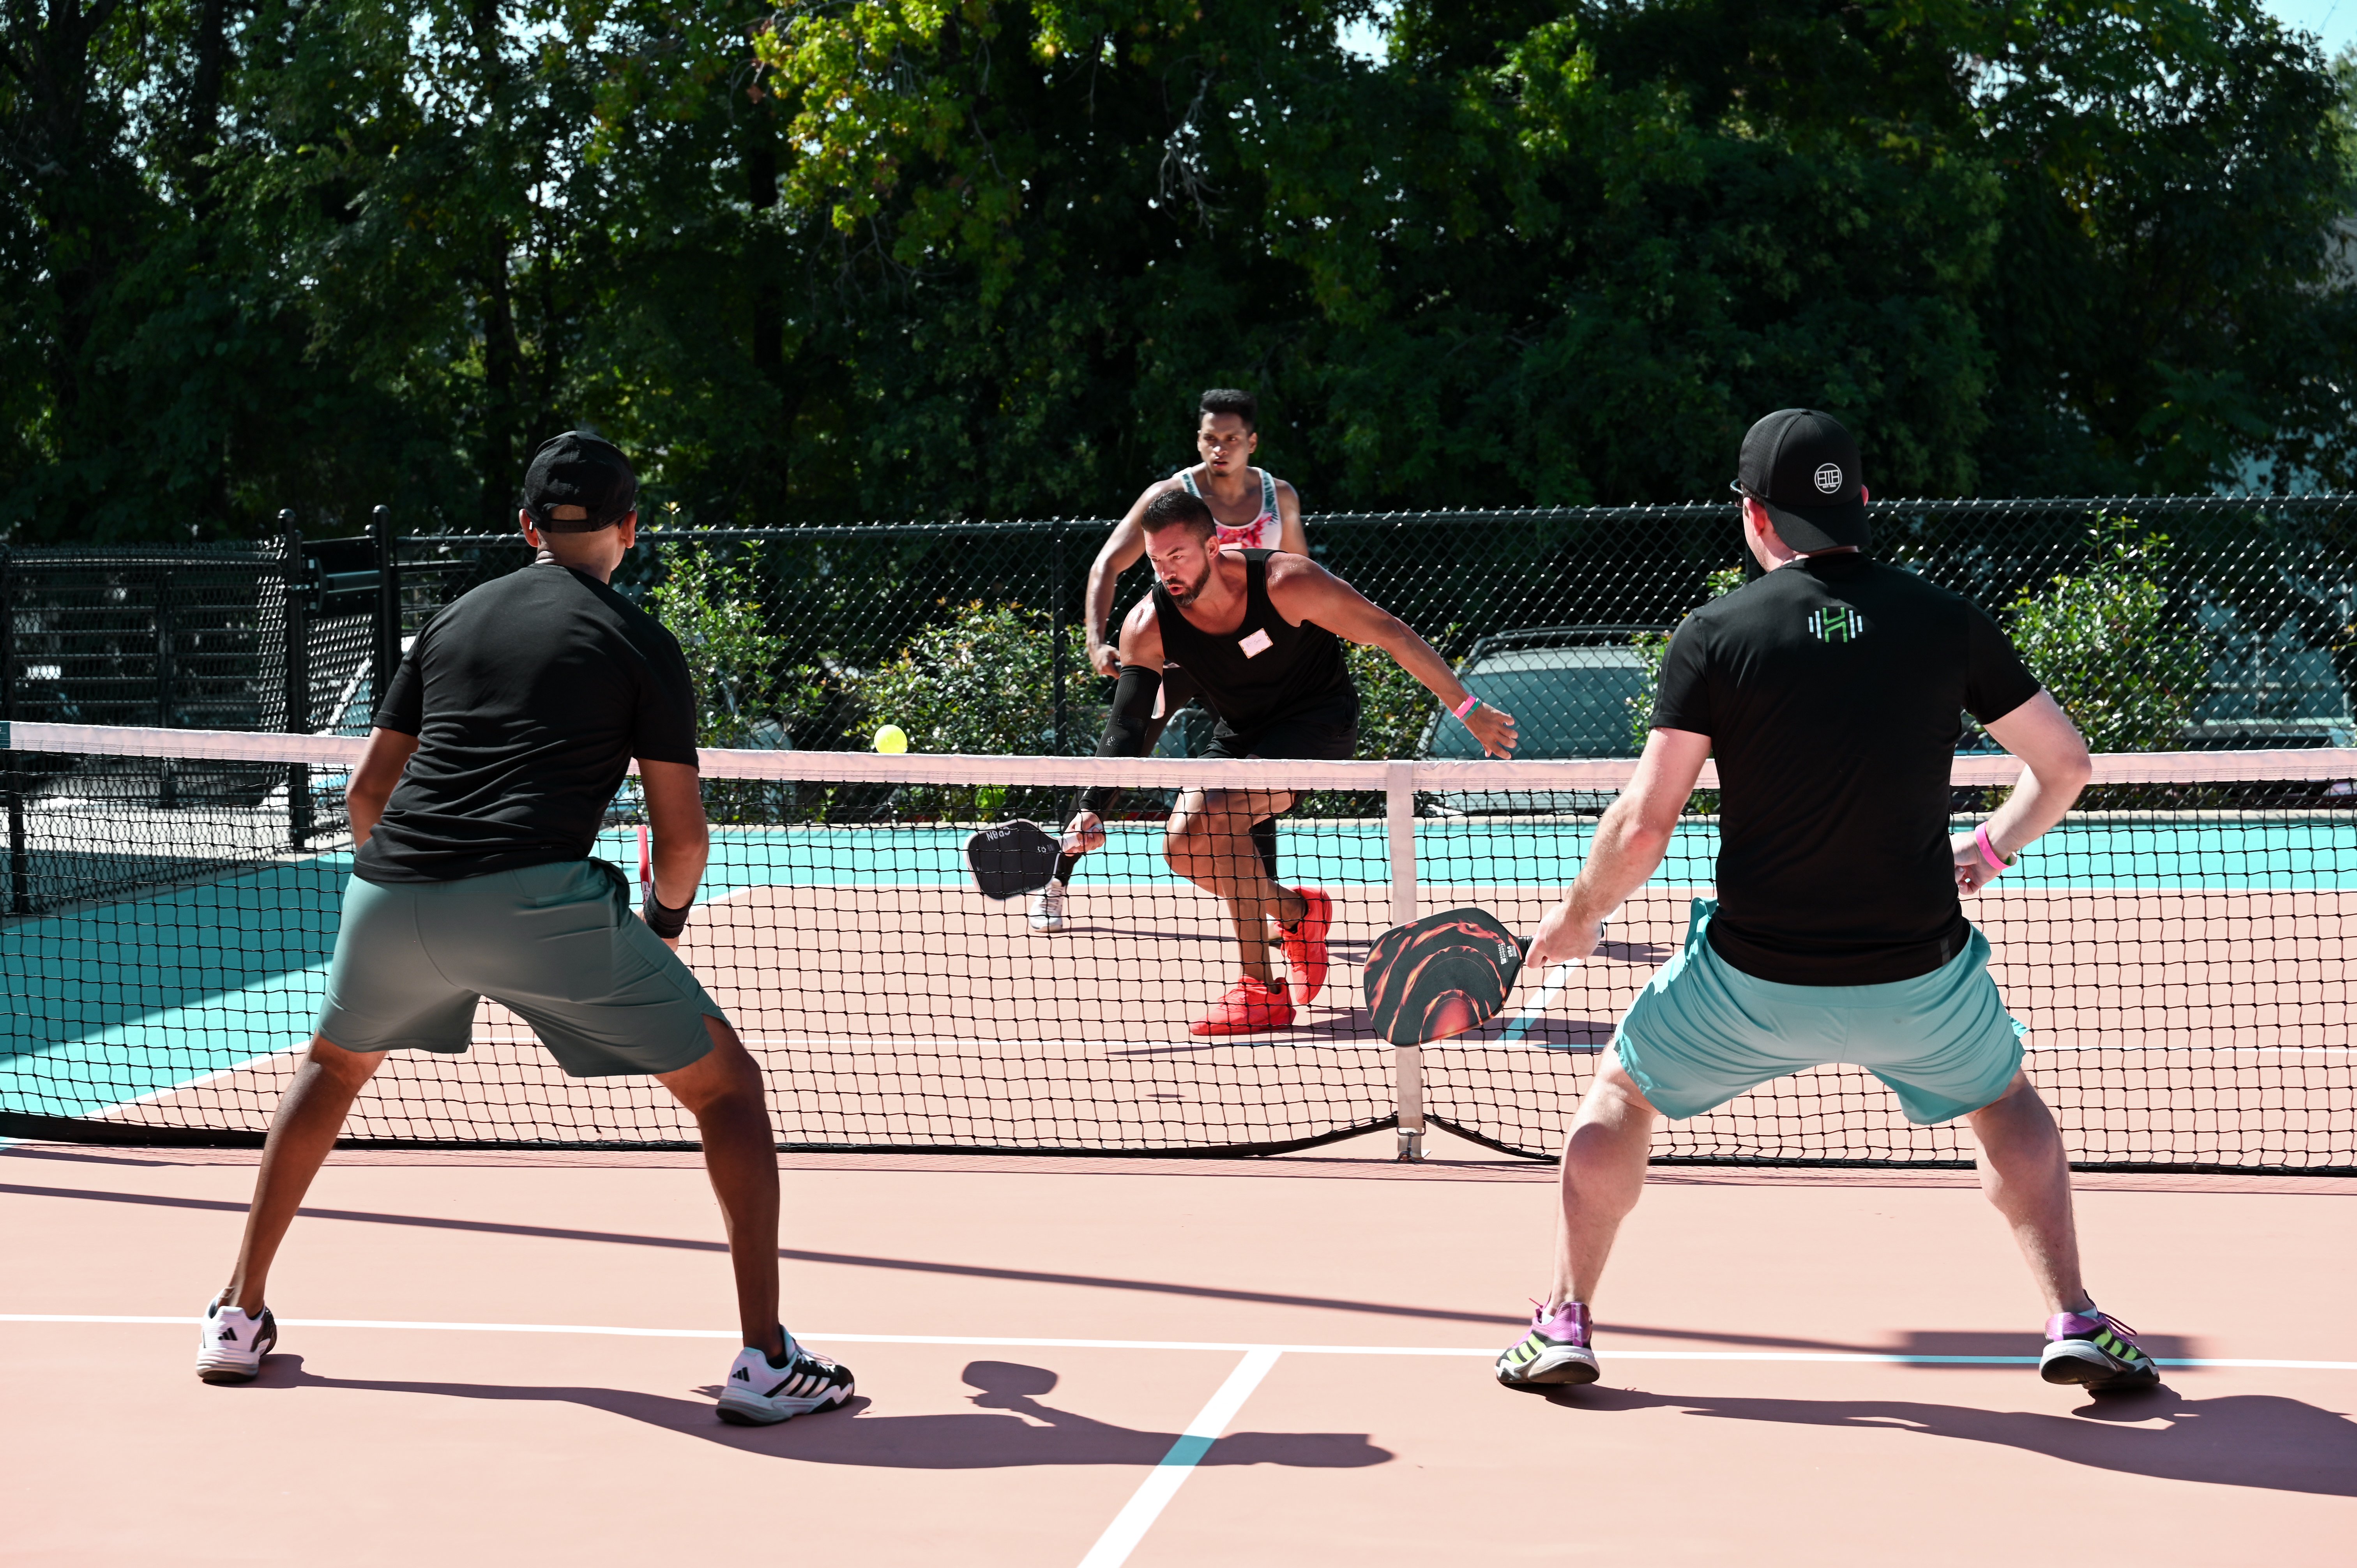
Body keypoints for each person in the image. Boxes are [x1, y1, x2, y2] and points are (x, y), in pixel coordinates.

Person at [194, 431, 854, 1428]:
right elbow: (682, 839)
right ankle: (766, 1359)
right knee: (729, 1089)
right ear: (630, 530)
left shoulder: (451, 622)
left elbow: (368, 793)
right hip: (538, 901)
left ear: (526, 528)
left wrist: (420, 905)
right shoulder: (640, 643)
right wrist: (661, 925)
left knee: (329, 1070)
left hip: (390, 889)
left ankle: (235, 1317)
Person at [1494, 409, 2157, 1396]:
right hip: (1920, 977)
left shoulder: (1715, 635)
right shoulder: (1944, 619)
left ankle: (1564, 1321)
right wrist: (1988, 848)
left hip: (1749, 982)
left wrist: (1581, 913)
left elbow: (1642, 825)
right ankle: (2073, 1315)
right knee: (2005, 1100)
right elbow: (2065, 764)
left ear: (1756, 516)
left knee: (1620, 1097)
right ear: (1862, 506)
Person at [1060, 488, 1518, 1035]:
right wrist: (1092, 808)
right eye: (1156, 561)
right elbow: (1129, 726)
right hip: (1242, 735)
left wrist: (1466, 707)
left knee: (1219, 815)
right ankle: (1300, 915)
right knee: (1182, 848)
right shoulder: (1148, 625)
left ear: (1213, 546)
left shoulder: (1286, 583)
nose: (1166, 572)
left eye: (1177, 556)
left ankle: (1262, 990)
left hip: (1317, 724)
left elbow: (1388, 632)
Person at [1032, 388, 1308, 933]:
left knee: (1255, 772)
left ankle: (1278, 913)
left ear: (1252, 442)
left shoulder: (1281, 499)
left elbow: (1296, 572)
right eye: (1210, 438)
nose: (1220, 448)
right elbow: (1107, 565)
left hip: (1251, 657)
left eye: (1231, 439)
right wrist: (1096, 640)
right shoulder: (1170, 497)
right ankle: (1055, 884)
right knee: (1119, 750)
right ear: (1198, 440)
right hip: (1182, 652)